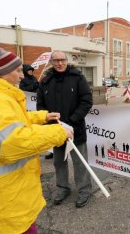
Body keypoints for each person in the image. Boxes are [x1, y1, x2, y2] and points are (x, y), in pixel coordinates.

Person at [0, 46, 73, 233]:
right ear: (3, 73)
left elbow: (11, 120)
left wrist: (41, 117)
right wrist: (58, 133)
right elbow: (11, 143)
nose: (22, 75)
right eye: (17, 71)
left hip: (5, 196)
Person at [37, 51, 93, 208]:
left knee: (80, 162)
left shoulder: (78, 77)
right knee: (58, 162)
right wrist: (50, 121)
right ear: (51, 62)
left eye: (62, 60)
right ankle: (62, 188)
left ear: (67, 61)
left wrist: (72, 121)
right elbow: (40, 105)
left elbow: (86, 101)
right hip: (55, 130)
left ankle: (84, 190)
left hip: (75, 129)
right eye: (55, 60)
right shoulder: (45, 81)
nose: (59, 63)